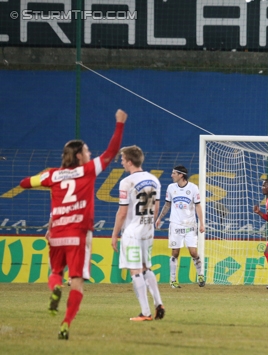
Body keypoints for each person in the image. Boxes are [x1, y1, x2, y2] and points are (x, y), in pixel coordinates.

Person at [19, 109, 128, 340]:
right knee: (77, 281)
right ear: (79, 155)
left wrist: (44, 180)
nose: (90, 153)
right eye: (87, 150)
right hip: (78, 232)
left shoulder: (52, 175)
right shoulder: (88, 170)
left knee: (56, 272)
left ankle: (55, 288)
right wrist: (119, 124)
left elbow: (24, 183)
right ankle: (65, 323)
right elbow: (111, 152)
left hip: (56, 232)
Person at [111, 145, 165, 321]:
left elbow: (122, 212)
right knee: (145, 267)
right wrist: (149, 224)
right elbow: (156, 207)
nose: (121, 162)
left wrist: (114, 234)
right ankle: (159, 303)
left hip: (132, 231)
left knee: (135, 270)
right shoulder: (154, 180)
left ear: (129, 161)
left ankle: (146, 313)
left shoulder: (126, 182)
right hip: (148, 230)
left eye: (122, 159)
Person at [154, 165, 205, 288]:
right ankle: (172, 280)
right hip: (175, 225)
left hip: (190, 225)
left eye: (174, 173)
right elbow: (167, 204)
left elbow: (198, 206)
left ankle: (200, 275)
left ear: (181, 175)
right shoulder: (171, 188)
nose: (172, 175)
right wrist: (160, 218)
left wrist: (202, 223)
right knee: (175, 252)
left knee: (193, 252)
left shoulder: (193, 188)